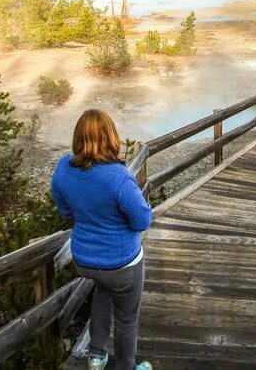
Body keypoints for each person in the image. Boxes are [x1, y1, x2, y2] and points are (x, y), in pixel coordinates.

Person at [51, 109, 154, 370]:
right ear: (110, 137)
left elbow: (64, 209)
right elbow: (142, 220)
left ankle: (96, 357)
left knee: (103, 293)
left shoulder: (64, 167)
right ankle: (126, 367)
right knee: (127, 317)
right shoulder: (118, 178)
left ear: (78, 137)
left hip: (86, 260)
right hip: (121, 263)